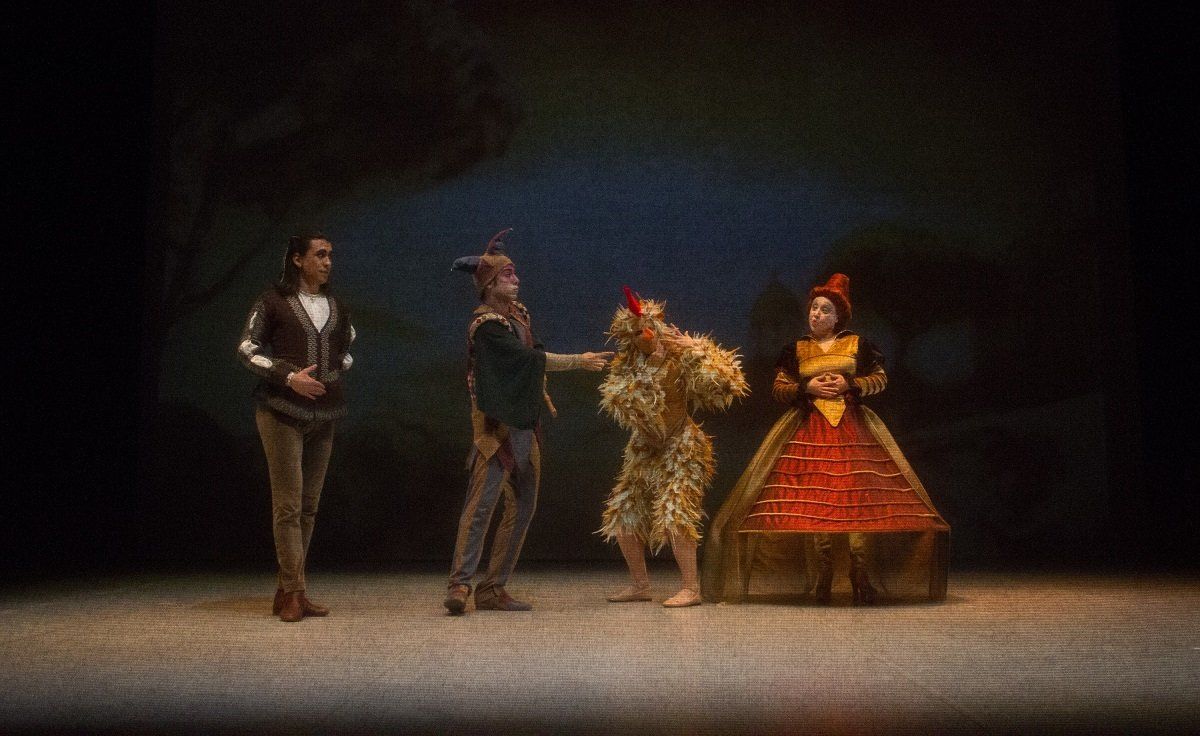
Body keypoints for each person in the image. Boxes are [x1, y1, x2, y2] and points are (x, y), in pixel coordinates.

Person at [703, 274, 949, 605]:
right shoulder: (797, 349)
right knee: (815, 500)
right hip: (810, 430)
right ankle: (824, 572)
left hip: (852, 430)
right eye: (814, 308)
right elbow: (779, 388)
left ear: (838, 317)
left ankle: (859, 572)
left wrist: (851, 384)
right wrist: (807, 387)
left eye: (825, 310)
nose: (816, 314)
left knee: (856, 498)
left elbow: (879, 379)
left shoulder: (857, 344)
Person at [445, 228, 612, 614]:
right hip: (496, 425)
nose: (517, 279)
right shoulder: (486, 326)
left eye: (515, 273)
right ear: (489, 283)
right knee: (481, 506)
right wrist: (578, 361)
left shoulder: (519, 316)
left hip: (525, 421)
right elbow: (526, 360)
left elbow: (531, 355)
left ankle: (493, 587)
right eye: (508, 275)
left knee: (522, 505)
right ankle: (460, 584)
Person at [598, 287, 748, 607]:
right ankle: (640, 585)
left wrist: (697, 349)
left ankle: (691, 588)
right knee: (623, 514)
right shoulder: (627, 367)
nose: (646, 335)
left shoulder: (680, 357)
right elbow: (624, 402)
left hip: (682, 446)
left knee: (675, 512)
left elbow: (728, 382)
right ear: (629, 338)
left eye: (649, 327)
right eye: (637, 332)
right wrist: (646, 374)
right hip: (645, 448)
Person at [237, 232, 355, 622]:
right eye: (320, 254)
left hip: (324, 416)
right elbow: (247, 349)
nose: (327, 261)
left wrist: (333, 372)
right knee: (288, 505)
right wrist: (289, 377)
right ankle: (294, 592)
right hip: (281, 412)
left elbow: (346, 348)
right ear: (298, 259)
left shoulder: (336, 305)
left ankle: (289, 587)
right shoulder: (273, 301)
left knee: (308, 507)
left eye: (330, 255)